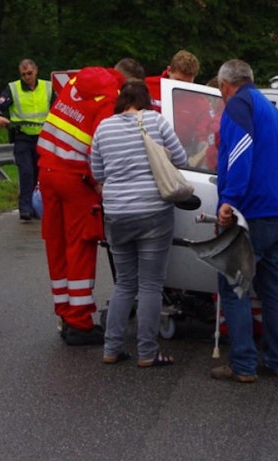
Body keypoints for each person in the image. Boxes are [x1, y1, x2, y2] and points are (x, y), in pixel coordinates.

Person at [90, 80, 188, 367]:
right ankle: (147, 353)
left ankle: (112, 348)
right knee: (150, 286)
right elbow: (180, 158)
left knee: (124, 285)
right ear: (146, 101)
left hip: (117, 214)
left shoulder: (103, 128)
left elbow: (97, 171)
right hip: (153, 213)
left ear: (121, 101)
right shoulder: (156, 122)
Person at [209, 59, 278, 383]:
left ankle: (243, 364)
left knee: (234, 287)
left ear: (224, 86)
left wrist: (229, 200)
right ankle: (277, 360)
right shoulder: (269, 108)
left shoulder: (238, 105)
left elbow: (240, 153)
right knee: (272, 289)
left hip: (251, 213)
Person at [37, 66, 124, 346]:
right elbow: (100, 147)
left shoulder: (77, 81)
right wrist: (104, 185)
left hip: (47, 170)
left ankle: (63, 311)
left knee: (57, 244)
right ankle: (79, 322)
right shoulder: (110, 98)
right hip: (76, 179)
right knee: (80, 246)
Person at [0, 59, 51, 221]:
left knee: (41, 174)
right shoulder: (13, 88)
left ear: (36, 70)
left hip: (43, 139)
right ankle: (25, 208)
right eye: (23, 74)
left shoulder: (48, 87)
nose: (27, 77)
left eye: (29, 73)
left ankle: (38, 206)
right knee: (26, 172)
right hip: (22, 137)